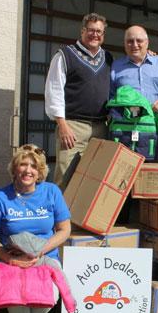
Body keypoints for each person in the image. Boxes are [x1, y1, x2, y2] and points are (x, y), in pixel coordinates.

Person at [0, 144, 71, 313]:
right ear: (14, 169)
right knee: (16, 296)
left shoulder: (51, 192)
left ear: (40, 171)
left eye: (33, 166)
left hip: (44, 257)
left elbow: (64, 230)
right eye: (23, 164)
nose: (28, 170)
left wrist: (39, 251)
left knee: (50, 298)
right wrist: (10, 259)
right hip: (11, 260)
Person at [45, 13, 112, 187]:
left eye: (99, 31)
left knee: (94, 180)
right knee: (66, 176)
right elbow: (54, 91)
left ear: (103, 35)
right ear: (82, 31)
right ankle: (62, 215)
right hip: (72, 128)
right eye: (91, 30)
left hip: (100, 128)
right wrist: (62, 125)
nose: (95, 35)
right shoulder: (64, 55)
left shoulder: (108, 58)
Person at [110, 25, 158, 114]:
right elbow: (110, 96)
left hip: (156, 125)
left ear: (147, 43)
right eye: (130, 41)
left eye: (139, 40)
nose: (135, 45)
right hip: (126, 126)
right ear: (124, 43)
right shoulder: (116, 67)